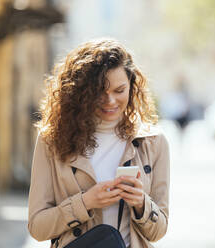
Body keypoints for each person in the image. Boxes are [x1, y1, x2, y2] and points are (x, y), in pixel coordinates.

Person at [28, 38, 170, 248]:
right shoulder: (52, 140)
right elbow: (37, 227)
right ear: (80, 92)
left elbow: (159, 231)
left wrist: (141, 203)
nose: (110, 101)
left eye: (119, 90)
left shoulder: (154, 142)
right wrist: (85, 203)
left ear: (131, 87)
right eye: (99, 92)